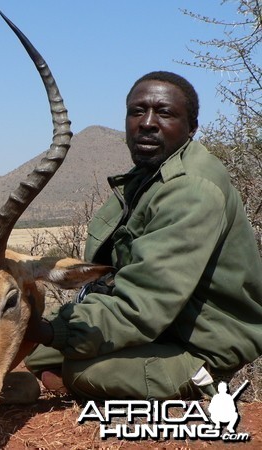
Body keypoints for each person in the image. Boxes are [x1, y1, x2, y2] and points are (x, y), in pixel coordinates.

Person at [25, 71, 262, 401]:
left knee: (82, 370)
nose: (147, 122)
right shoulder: (144, 178)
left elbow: (142, 304)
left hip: (205, 346)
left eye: (164, 113)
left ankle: (212, 385)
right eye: (137, 111)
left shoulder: (192, 189)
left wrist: (49, 329)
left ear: (191, 127)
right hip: (162, 327)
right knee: (36, 352)